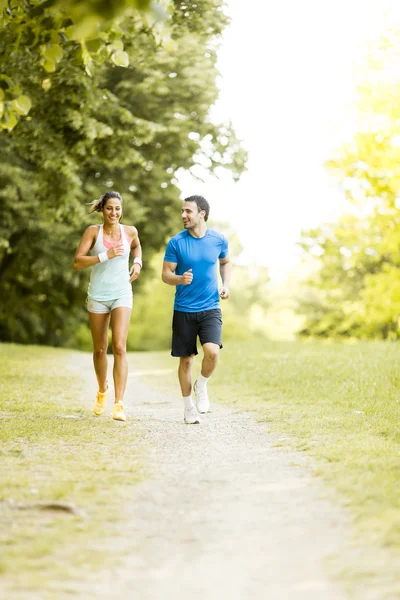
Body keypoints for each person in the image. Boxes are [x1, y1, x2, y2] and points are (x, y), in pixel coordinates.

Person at [162, 195, 231, 424]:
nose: (183, 215)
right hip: (184, 309)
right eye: (182, 211)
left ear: (202, 213)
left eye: (188, 211)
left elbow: (225, 262)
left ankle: (201, 384)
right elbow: (165, 275)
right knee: (186, 361)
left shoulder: (218, 240)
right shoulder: (176, 242)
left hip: (211, 306)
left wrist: (225, 285)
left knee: (212, 352)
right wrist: (180, 279)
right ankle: (188, 407)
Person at [73, 190, 142, 422]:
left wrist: (138, 262)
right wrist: (105, 255)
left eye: (118, 208)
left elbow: (136, 246)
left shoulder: (130, 231)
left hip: (122, 292)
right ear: (102, 209)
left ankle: (119, 404)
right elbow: (77, 262)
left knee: (120, 347)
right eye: (110, 208)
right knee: (100, 349)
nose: (114, 213)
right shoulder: (93, 232)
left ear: (122, 211)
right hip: (98, 295)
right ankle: (102, 391)